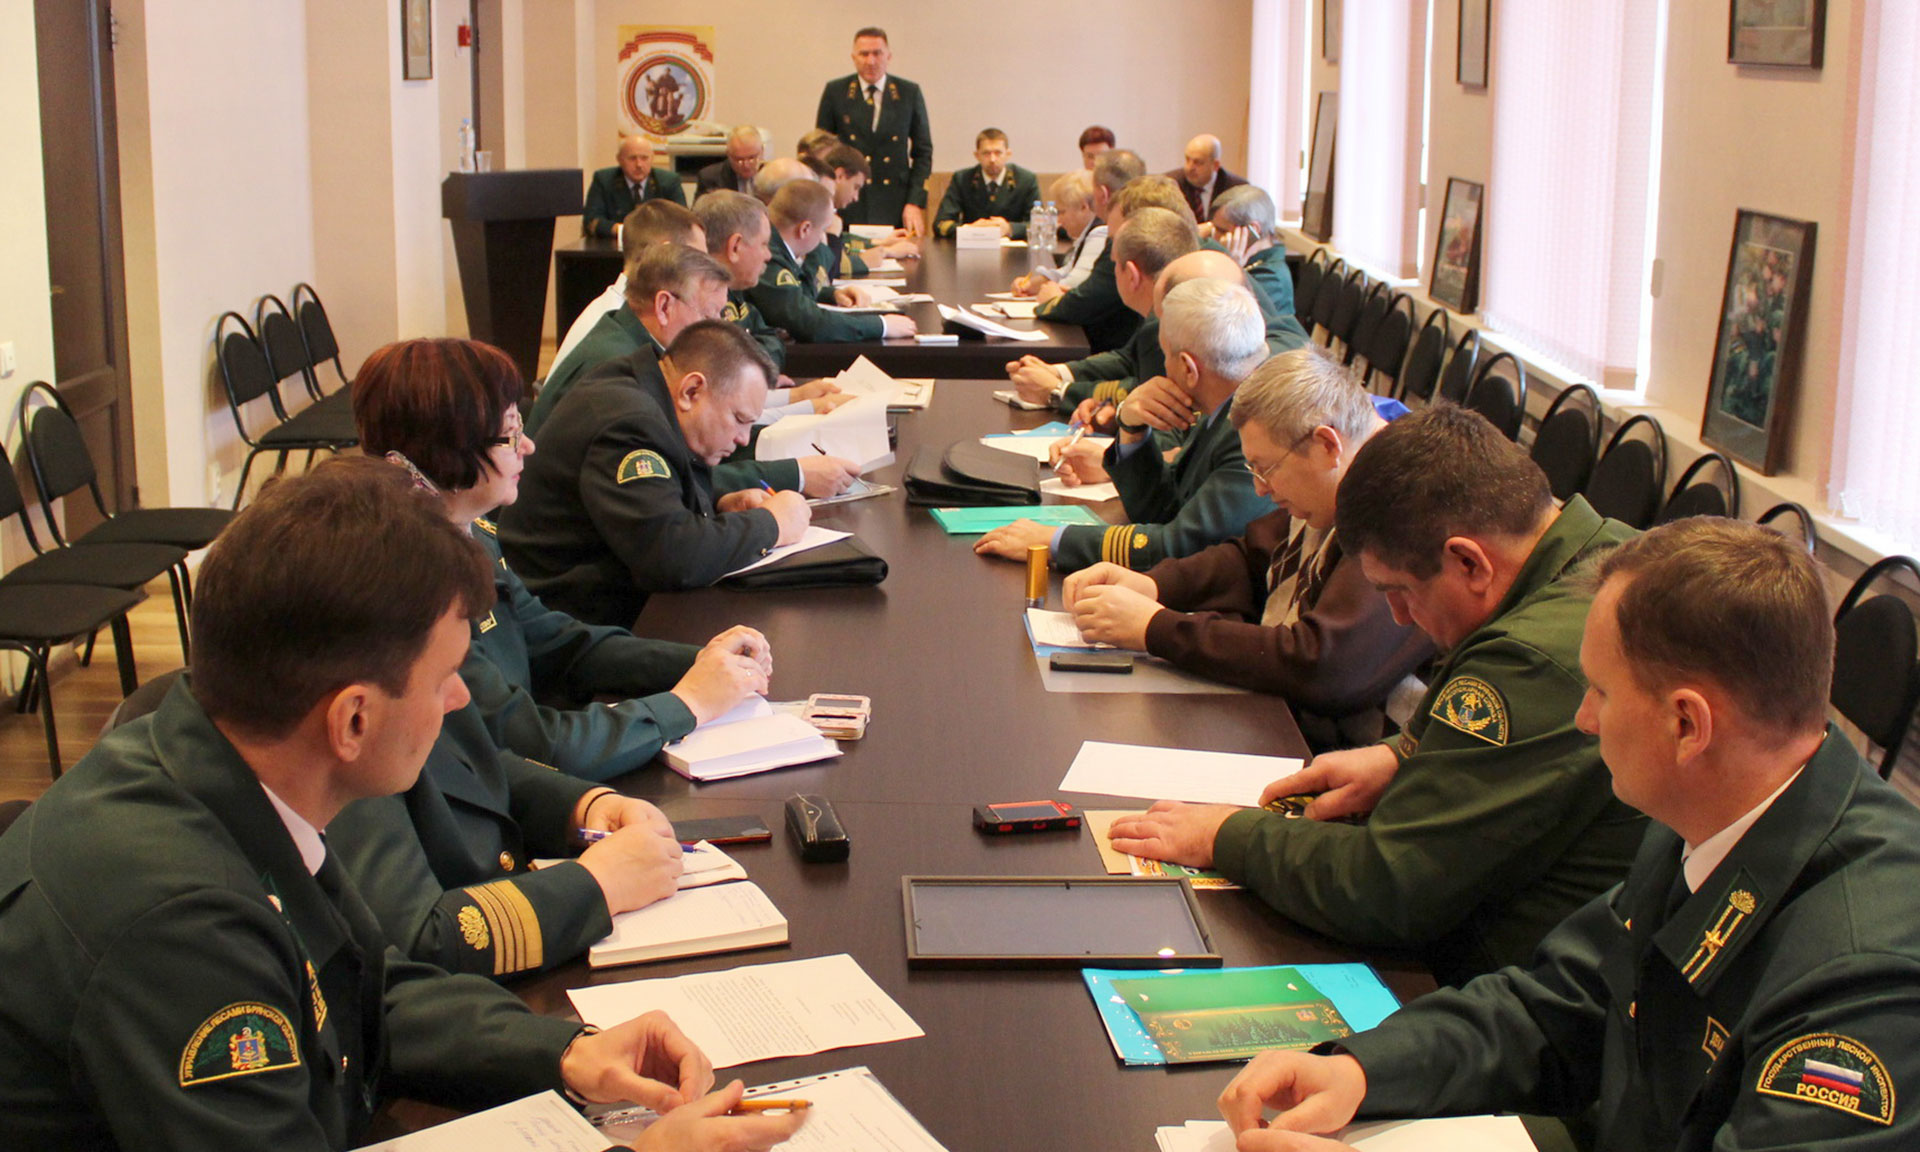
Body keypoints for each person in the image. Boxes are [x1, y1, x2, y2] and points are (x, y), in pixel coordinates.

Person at [0, 458, 805, 1151]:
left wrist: (564, 1053)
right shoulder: (180, 928)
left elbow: (364, 988)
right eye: (444, 677)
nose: (461, 700)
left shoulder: (224, 765)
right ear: (353, 719)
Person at [1217, 517, 1920, 1151]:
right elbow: (1560, 1004)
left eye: (1601, 691)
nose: (1583, 718)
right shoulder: (1713, 813)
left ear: (1687, 725)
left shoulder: (1865, 978)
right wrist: (1363, 1070)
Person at [1110, 406, 1646, 985]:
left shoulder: (1528, 659)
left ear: (1469, 562)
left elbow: (1387, 888)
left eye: (1400, 591)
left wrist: (1223, 835)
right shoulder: (1621, 558)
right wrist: (1402, 756)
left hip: (1507, 978)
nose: (1397, 616)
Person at [354, 336, 774, 782]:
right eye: (510, 435)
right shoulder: (414, 583)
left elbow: (559, 643)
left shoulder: (472, 532)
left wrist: (701, 661)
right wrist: (689, 704)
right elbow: (532, 741)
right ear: (449, 449)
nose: (528, 446)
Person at [1063, 346, 1429, 750]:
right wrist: (1152, 585)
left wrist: (1155, 628)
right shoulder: (1346, 474)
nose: (1259, 489)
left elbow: (1325, 665)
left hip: (1356, 761)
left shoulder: (1401, 504)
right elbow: (1254, 556)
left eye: (1266, 469)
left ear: (1327, 445)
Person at [499, 320, 812, 627]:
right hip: (568, 623)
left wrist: (717, 503)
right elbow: (672, 557)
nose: (743, 438)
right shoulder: (630, 423)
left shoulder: (641, 386)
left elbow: (660, 502)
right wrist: (772, 524)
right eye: (740, 419)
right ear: (691, 390)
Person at [976, 276, 1270, 573]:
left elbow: (1180, 545)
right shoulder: (1226, 400)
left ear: (1188, 368)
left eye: (1165, 355)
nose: (1163, 369)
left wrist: (1054, 541)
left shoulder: (1254, 428)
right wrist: (1132, 429)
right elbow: (1162, 509)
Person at [532, 242, 732, 437]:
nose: (716, 330)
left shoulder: (626, 335)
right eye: (708, 316)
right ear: (664, 307)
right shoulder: (620, 368)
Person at [748, 180, 916, 343]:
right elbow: (810, 323)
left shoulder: (777, 247)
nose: (823, 237)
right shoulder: (768, 257)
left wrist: (831, 294)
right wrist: (881, 326)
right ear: (805, 229)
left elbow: (795, 293)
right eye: (822, 230)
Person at [553, 200, 705, 373]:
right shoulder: (621, 327)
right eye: (697, 259)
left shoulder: (617, 311)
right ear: (666, 253)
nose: (705, 272)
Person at [815, 27, 932, 234]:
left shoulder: (908, 93)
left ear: (889, 56)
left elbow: (923, 152)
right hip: (848, 202)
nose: (871, 61)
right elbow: (822, 151)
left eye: (877, 53)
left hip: (895, 202)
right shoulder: (836, 92)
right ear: (853, 57)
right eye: (864, 54)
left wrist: (915, 202)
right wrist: (829, 201)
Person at [1033, 148, 1149, 352]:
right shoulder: (1146, 225)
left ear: (1102, 194)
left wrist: (1053, 301)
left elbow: (1089, 301)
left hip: (1114, 349)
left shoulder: (1123, 236)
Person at [933, 128, 1041, 239]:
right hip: (972, 246)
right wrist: (969, 229)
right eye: (986, 153)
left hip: (1012, 247)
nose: (992, 159)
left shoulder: (1026, 180)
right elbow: (940, 224)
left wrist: (1010, 228)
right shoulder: (962, 179)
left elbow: (1038, 226)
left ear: (1008, 154)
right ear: (977, 155)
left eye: (998, 153)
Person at [1012, 170, 1107, 295]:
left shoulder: (1100, 234)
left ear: (1083, 207)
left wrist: (1048, 290)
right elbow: (1068, 270)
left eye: (1062, 212)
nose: (1058, 221)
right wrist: (1032, 284)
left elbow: (1073, 283)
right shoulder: (1089, 232)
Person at [1209, 183, 1293, 317]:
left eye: (1222, 231)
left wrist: (1231, 267)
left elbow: (1221, 316)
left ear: (1252, 230)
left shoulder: (1271, 278)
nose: (1214, 238)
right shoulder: (1253, 260)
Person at [583, 135, 687, 238]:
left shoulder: (669, 181)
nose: (639, 164)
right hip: (613, 244)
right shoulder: (603, 180)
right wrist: (624, 231)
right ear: (619, 159)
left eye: (644, 158)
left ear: (652, 158)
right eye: (632, 158)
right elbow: (591, 220)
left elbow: (683, 220)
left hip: (659, 244)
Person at [1168, 133, 1247, 223]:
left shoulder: (1237, 189)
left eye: (1197, 162)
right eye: (1187, 159)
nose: (1190, 167)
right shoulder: (1170, 184)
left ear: (1215, 165)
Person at [694, 124, 764, 199]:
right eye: (739, 159)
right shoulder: (710, 178)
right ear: (728, 155)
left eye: (751, 158)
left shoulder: (771, 175)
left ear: (762, 151)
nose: (746, 165)